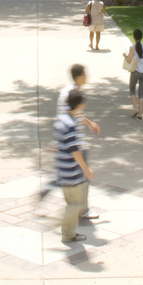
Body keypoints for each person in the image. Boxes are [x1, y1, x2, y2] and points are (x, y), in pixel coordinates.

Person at [54, 89, 93, 244]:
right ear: (80, 105)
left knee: (72, 203)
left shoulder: (61, 119)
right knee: (75, 204)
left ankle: (68, 232)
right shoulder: (71, 125)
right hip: (71, 172)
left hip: (62, 170)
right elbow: (75, 151)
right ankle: (67, 234)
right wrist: (86, 169)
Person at [125, 28, 143, 120]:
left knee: (132, 90)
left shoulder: (132, 47)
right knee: (141, 93)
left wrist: (125, 56)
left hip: (135, 72)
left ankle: (135, 108)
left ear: (134, 37)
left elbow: (129, 60)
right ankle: (140, 113)